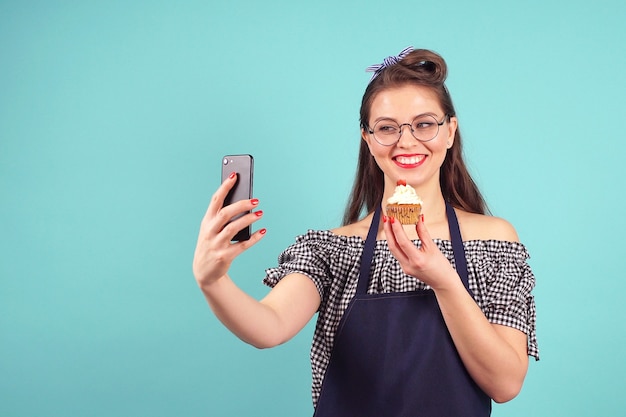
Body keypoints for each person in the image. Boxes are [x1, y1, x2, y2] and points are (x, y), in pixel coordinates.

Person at [193, 47, 539, 416]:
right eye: (387, 128)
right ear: (368, 139)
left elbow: (505, 384)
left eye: (424, 124)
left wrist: (444, 281)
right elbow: (269, 327)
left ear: (450, 131)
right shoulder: (331, 250)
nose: (406, 141)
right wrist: (212, 281)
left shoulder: (494, 242)